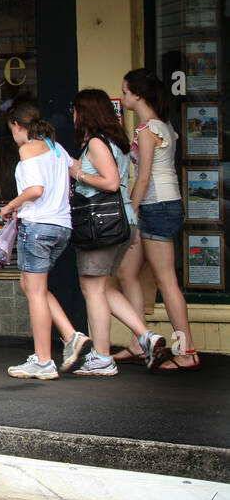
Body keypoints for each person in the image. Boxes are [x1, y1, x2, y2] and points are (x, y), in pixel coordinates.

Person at [67, 88, 169, 375]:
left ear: (85, 112)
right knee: (104, 288)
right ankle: (145, 336)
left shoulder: (97, 143)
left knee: (93, 290)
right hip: (121, 221)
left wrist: (78, 173)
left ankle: (102, 357)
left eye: (75, 110)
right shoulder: (116, 141)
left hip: (101, 224)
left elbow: (110, 182)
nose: (73, 116)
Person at [116, 68, 199, 369]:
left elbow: (144, 177)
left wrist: (130, 214)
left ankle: (186, 352)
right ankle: (139, 343)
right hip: (165, 204)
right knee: (127, 272)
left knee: (166, 282)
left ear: (137, 95)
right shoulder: (164, 126)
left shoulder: (147, 130)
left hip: (156, 206)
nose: (123, 97)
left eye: (125, 92)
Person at [1, 99, 88, 380]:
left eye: (11, 129)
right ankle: (71, 336)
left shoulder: (28, 149)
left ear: (17, 125)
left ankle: (43, 360)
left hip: (38, 226)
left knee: (35, 291)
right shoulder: (56, 148)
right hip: (62, 227)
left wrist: (11, 205)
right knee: (30, 284)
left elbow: (35, 189)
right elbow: (78, 169)